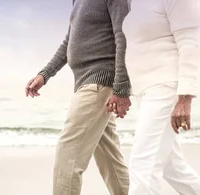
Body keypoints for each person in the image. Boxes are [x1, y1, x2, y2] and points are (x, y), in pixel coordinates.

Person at [25, 0, 132, 194]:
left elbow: (123, 36)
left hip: (99, 82)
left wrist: (121, 89)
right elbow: (69, 40)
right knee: (110, 159)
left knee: (68, 155)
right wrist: (45, 74)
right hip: (86, 82)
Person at [119, 0, 200, 194]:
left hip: (164, 87)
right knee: (174, 168)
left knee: (143, 163)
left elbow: (188, 45)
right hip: (144, 91)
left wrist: (185, 99)